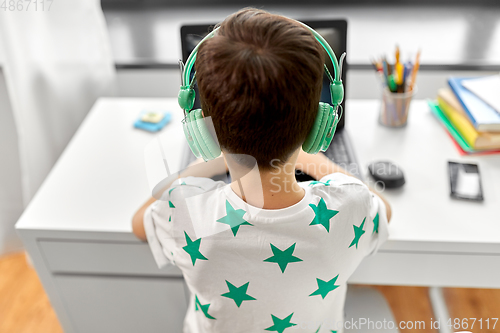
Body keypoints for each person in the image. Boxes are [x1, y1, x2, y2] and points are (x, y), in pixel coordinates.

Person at [132, 8, 391, 333]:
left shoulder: (183, 213)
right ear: (317, 126)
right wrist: (313, 161)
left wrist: (205, 165)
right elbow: (384, 212)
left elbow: (139, 224)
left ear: (203, 130)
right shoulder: (352, 204)